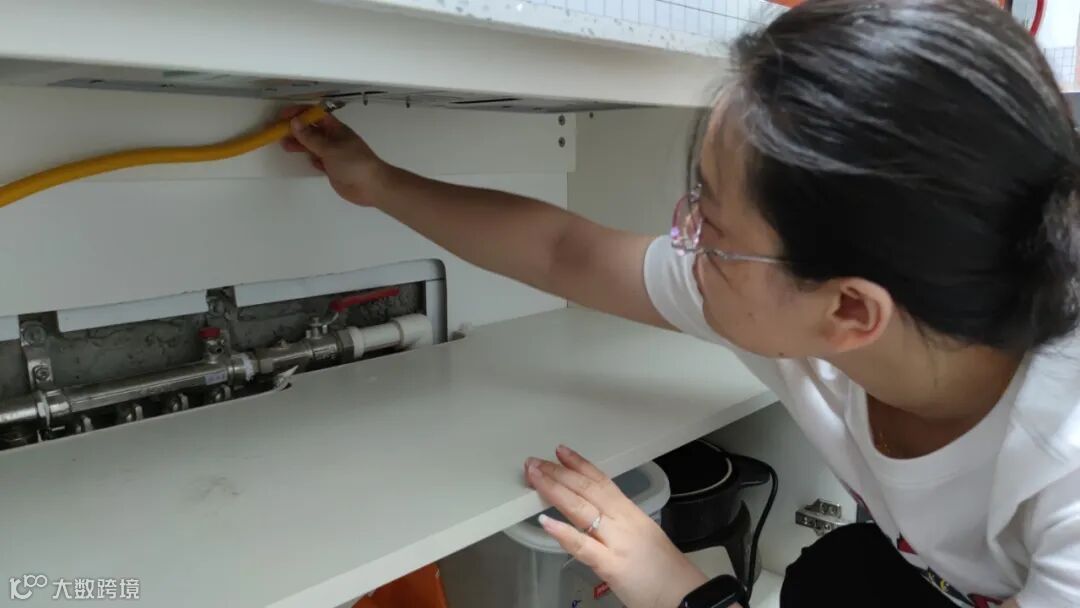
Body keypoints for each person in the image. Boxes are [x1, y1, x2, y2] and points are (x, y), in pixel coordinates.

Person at [281, 0, 1080, 605]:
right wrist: (378, 182)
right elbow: (565, 252)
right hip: (938, 574)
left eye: (712, 224)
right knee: (836, 574)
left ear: (850, 313)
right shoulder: (869, 315)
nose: (686, 241)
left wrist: (680, 589)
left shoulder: (1063, 474)